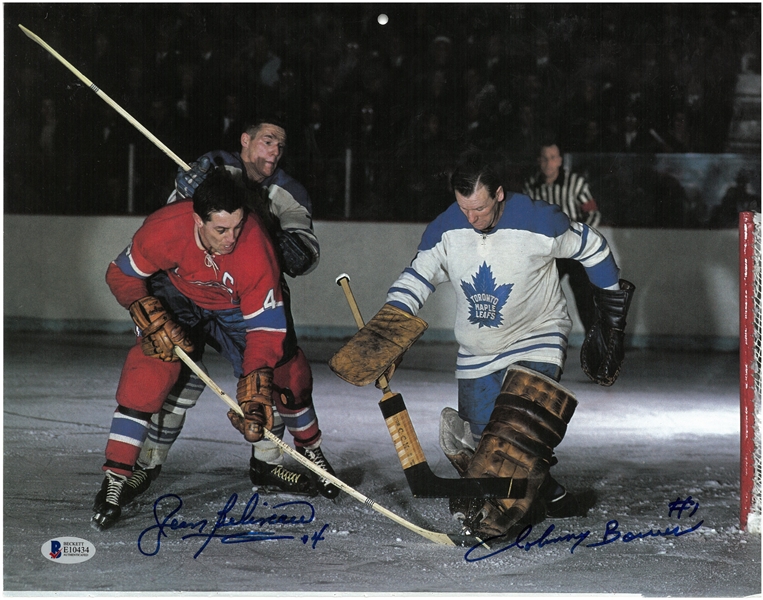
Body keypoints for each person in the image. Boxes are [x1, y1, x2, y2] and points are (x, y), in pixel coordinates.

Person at [375, 150, 633, 538]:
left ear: (498, 194)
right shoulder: (445, 229)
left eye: (478, 208)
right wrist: (386, 331)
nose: (471, 219)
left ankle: (512, 515)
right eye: (463, 209)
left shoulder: (539, 220)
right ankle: (554, 496)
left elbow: (592, 246)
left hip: (537, 337)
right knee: (486, 449)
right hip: (477, 351)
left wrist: (612, 317)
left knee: (514, 437)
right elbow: (417, 278)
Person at [121, 116, 338, 505]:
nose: (274, 151)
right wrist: (183, 193)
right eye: (268, 141)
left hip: (244, 297)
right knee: (177, 372)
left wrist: (256, 223)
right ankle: (148, 462)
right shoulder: (212, 167)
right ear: (245, 140)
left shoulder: (289, 193)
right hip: (185, 290)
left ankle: (272, 461)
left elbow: (303, 256)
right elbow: (178, 222)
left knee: (280, 370)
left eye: (280, 145)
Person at [93, 168, 294, 529]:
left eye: (237, 226)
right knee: (151, 370)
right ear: (196, 219)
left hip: (233, 307)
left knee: (271, 380)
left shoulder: (255, 247)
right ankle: (121, 475)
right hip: (179, 294)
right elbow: (120, 274)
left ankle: (267, 463)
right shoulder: (164, 228)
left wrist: (257, 377)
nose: (231, 238)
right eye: (221, 230)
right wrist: (147, 312)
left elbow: (266, 330)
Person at [522, 141, 601, 332]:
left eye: (552, 158)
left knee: (586, 303)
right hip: (548, 255)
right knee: (538, 300)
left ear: (559, 161)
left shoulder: (576, 183)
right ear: (539, 161)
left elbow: (593, 213)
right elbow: (526, 219)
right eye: (544, 159)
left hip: (574, 253)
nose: (548, 163)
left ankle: (599, 349)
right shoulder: (532, 186)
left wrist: (579, 239)